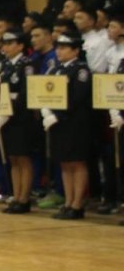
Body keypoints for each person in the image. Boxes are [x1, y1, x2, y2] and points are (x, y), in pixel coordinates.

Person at [43, 32, 93, 220]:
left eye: (64, 48)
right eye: (58, 48)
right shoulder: (55, 70)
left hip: (75, 123)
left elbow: (77, 98)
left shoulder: (81, 70)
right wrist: (46, 111)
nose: (59, 51)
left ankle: (77, 204)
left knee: (77, 162)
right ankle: (68, 202)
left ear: (75, 50)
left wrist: (56, 115)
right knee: (65, 163)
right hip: (59, 125)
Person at [0, 31, 40, 213]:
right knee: (13, 159)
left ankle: (24, 198)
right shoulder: (5, 65)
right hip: (6, 116)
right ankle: (16, 196)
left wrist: (11, 106)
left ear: (21, 46)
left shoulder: (27, 64)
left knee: (23, 158)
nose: (6, 47)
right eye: (5, 44)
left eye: (10, 43)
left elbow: (26, 92)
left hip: (22, 117)